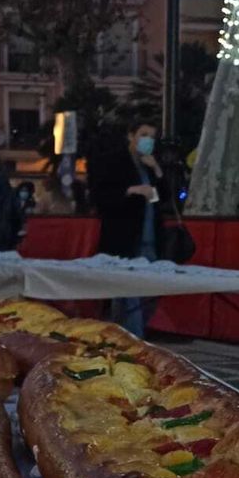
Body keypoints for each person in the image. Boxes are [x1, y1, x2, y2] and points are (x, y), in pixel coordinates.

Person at [89, 118, 170, 337]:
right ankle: (134, 340)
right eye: (144, 135)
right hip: (124, 241)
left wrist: (158, 171)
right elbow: (100, 197)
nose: (148, 141)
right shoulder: (113, 161)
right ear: (131, 136)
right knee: (127, 294)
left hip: (151, 242)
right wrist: (130, 191)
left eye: (152, 137)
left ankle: (120, 335)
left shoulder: (150, 165)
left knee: (150, 294)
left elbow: (164, 199)